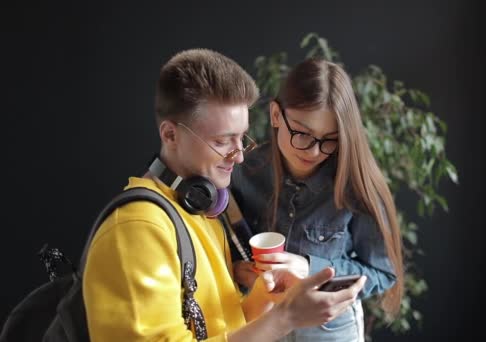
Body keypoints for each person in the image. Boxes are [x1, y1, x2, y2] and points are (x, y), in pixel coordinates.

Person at [82, 49, 366, 341]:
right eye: (222, 141)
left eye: (241, 137)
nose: (240, 156)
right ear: (170, 135)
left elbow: (220, 327)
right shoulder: (137, 230)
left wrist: (261, 299)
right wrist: (286, 318)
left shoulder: (199, 209)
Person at [229, 58, 405, 342]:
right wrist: (238, 269)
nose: (313, 151)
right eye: (302, 134)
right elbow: (222, 247)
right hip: (258, 327)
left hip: (331, 334)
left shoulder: (356, 183)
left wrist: (309, 266)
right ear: (276, 115)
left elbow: (383, 273)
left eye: (330, 139)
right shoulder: (242, 170)